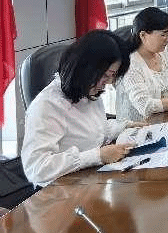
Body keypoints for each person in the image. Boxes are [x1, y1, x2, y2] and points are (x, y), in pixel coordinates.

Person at [21, 30, 136, 187]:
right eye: (106, 75)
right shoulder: (47, 105)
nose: (109, 82)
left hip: (89, 180)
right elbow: (36, 168)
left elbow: (94, 131)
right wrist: (97, 156)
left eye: (113, 76)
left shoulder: (88, 91)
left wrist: (126, 126)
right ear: (88, 68)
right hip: (59, 191)